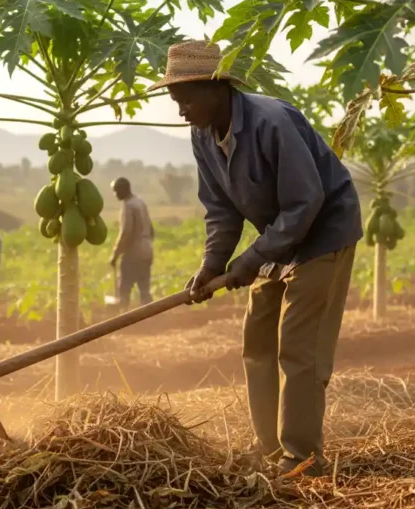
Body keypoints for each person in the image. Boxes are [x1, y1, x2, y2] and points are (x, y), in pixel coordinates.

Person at [151, 40, 363, 477]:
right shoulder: (203, 135)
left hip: (323, 232)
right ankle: (267, 445)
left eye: (185, 100)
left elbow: (306, 201)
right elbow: (221, 209)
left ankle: (301, 455)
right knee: (258, 338)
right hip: (279, 236)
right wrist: (214, 264)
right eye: (176, 102)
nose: (181, 111)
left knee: (298, 346)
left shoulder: (272, 122)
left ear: (215, 88)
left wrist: (252, 258)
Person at [109, 177, 155, 309]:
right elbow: (151, 229)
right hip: (147, 250)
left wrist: (115, 254)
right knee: (144, 287)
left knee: (124, 287)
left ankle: (123, 318)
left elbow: (126, 233)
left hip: (134, 252)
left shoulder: (128, 205)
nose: (115, 194)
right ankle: (151, 318)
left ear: (123, 190)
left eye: (116, 191)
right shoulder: (140, 202)